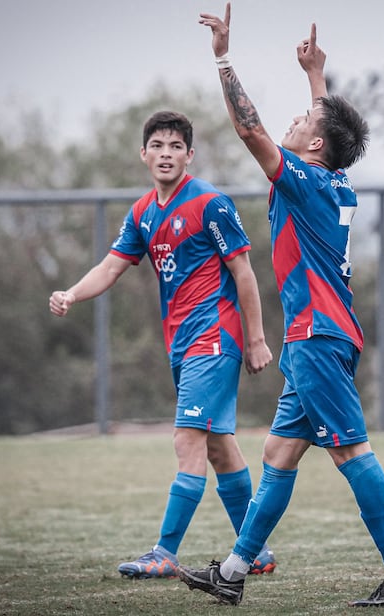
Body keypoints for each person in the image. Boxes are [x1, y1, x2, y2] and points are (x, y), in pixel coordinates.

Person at [178, 5, 384, 608]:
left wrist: (224, 57)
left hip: (316, 334)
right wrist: (318, 77)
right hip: (321, 334)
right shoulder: (334, 179)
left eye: (304, 120)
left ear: (313, 146)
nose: (294, 120)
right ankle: (234, 573)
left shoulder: (305, 179)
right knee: (278, 452)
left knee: (350, 449)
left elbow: (249, 129)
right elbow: (327, 132)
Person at [49, 110, 278, 579]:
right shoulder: (142, 212)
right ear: (144, 154)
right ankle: (256, 550)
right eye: (158, 145)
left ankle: (164, 553)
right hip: (181, 344)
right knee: (218, 446)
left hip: (214, 337)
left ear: (189, 155)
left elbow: (244, 272)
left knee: (186, 439)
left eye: (176, 146)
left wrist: (256, 340)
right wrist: (71, 292)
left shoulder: (210, 203)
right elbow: (111, 267)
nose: (166, 154)